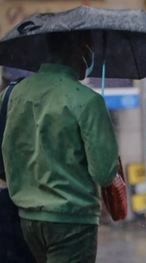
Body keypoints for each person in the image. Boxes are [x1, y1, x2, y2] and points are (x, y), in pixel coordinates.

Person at [0, 31, 119, 263]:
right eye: (89, 49)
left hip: (27, 218)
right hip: (73, 220)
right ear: (81, 51)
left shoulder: (11, 95)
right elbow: (104, 173)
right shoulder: (88, 100)